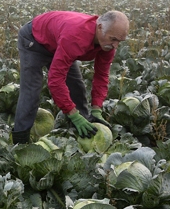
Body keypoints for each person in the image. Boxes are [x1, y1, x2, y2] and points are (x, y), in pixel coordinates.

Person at [11, 10, 130, 144]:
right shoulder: (75, 37)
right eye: (113, 39)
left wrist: (97, 108)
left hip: (60, 42)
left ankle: (83, 128)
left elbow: (101, 76)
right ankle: (20, 141)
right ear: (100, 27)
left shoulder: (108, 45)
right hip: (34, 40)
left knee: (76, 86)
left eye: (119, 41)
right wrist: (72, 113)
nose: (115, 45)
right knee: (31, 90)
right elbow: (55, 80)